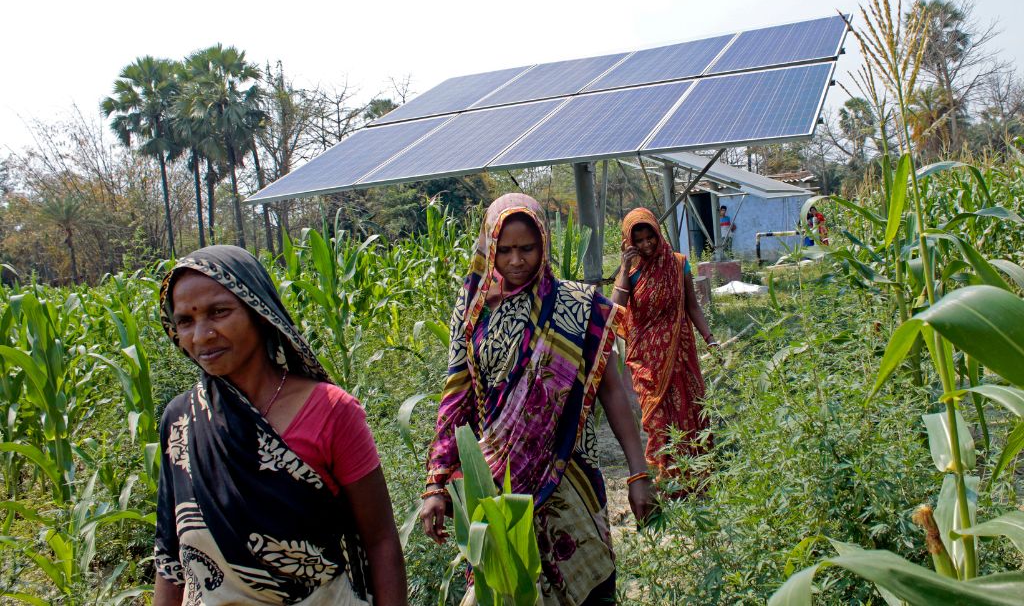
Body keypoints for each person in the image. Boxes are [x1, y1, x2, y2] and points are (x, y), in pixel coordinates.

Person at [420, 194, 653, 606]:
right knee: (509, 588)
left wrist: (638, 473)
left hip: (570, 477)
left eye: (526, 248)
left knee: (590, 590)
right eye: (504, 250)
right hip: (497, 484)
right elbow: (455, 397)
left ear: (543, 243)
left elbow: (613, 390)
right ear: (488, 247)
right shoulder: (473, 309)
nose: (514, 261)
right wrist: (436, 483)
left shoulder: (577, 307)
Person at [154, 245, 407, 606]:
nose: (201, 335)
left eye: (219, 312)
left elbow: (380, 539)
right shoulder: (181, 420)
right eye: (185, 321)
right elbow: (170, 556)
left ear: (258, 312)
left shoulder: (332, 412)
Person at [611, 208, 715, 481]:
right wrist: (624, 269)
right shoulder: (631, 273)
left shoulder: (678, 264)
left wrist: (710, 339)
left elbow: (692, 306)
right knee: (656, 419)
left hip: (680, 354)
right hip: (646, 360)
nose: (646, 245)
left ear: (658, 234)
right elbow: (616, 308)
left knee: (690, 412)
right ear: (629, 242)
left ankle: (696, 477)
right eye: (639, 240)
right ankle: (664, 480)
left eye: (650, 238)